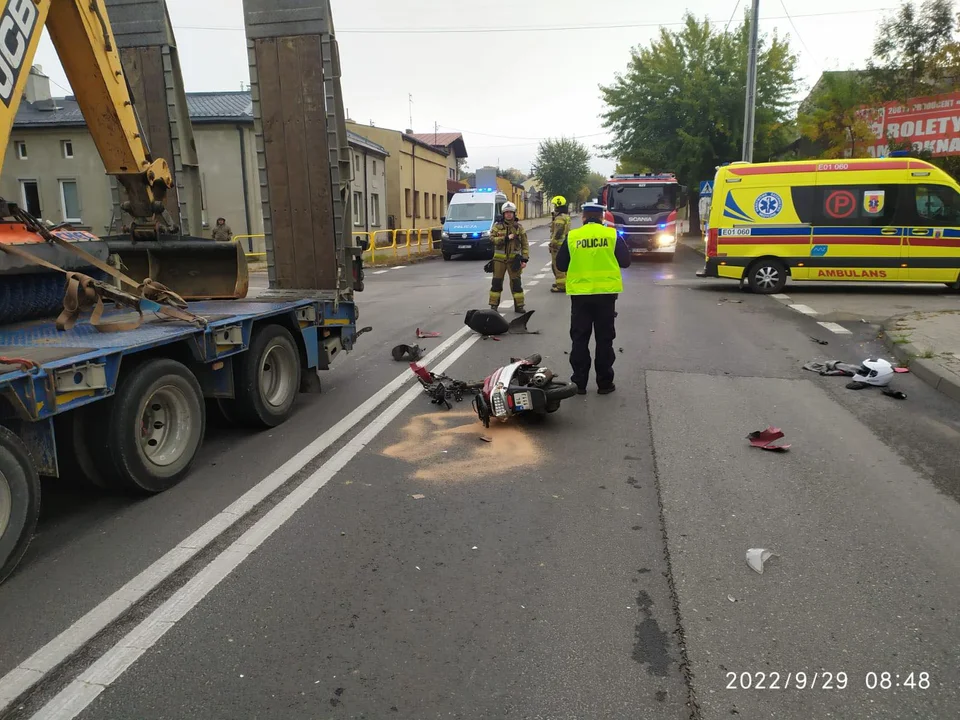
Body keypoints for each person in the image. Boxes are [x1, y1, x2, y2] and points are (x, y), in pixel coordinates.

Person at [555, 202, 631, 395]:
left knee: (580, 339)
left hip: (580, 296)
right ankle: (604, 383)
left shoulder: (573, 236)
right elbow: (626, 262)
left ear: (583, 217)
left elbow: (561, 265)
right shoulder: (612, 235)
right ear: (602, 217)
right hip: (606, 295)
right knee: (604, 339)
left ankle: (579, 383)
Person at [488, 201, 529, 312]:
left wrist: (524, 259)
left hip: (514, 261)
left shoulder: (519, 228)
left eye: (511, 212)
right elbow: (491, 239)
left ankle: (519, 306)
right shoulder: (497, 227)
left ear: (514, 213)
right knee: (496, 283)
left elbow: (525, 244)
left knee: (516, 283)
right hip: (499, 261)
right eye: (506, 213)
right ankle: (493, 305)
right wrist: (505, 239)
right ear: (503, 214)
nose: (509, 214)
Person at [549, 195, 570, 293]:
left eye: (554, 205)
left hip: (558, 245)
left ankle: (561, 286)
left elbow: (558, 232)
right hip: (564, 243)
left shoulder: (559, 218)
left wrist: (552, 243)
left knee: (557, 265)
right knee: (564, 264)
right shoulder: (566, 216)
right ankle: (563, 282)